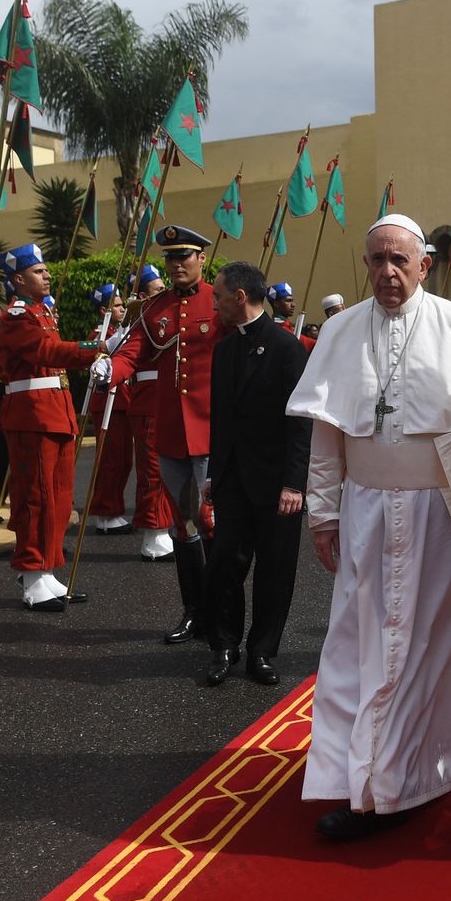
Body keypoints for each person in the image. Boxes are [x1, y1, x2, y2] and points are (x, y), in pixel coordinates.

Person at [287, 213, 451, 839]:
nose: (388, 272)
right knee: (364, 649)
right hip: (366, 514)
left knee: (435, 647)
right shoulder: (339, 332)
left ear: (425, 266)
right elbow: (326, 436)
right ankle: (369, 780)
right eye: (376, 261)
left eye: (400, 261)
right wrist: (324, 514)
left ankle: (430, 764)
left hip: (445, 517)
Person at [107, 227, 226, 642]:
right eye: (171, 257)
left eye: (186, 256)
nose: (177, 263)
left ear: (202, 259)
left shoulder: (220, 300)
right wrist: (110, 370)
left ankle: (221, 612)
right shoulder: (153, 306)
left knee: (213, 521)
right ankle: (193, 610)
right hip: (173, 432)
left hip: (212, 429)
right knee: (184, 524)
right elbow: (132, 351)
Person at [202, 262, 311, 687]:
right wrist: (214, 473)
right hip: (232, 481)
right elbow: (221, 422)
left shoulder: (288, 349)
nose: (214, 304)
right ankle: (223, 645)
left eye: (218, 296)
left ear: (240, 297)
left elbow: (301, 423)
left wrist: (294, 483)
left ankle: (262, 650)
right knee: (224, 564)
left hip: (277, 484)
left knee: (275, 572)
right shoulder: (224, 351)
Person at [0, 243, 99, 612]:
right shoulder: (18, 316)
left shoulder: (44, 311)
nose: (47, 275)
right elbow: (46, 352)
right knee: (36, 496)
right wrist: (95, 347)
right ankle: (32, 570)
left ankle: (47, 568)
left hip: (54, 411)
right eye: (38, 271)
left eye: (46, 270)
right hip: (32, 415)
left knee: (58, 497)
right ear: (18, 280)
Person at [115, 265, 175, 561]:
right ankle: (154, 533)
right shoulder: (136, 325)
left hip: (170, 400)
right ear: (141, 296)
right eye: (157, 290)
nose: (165, 293)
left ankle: (168, 525)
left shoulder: (169, 315)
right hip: (149, 402)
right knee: (153, 469)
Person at [83, 283, 134, 536]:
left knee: (123, 459)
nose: (122, 308)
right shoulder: (99, 336)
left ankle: (113, 509)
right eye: (116, 305)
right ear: (104, 309)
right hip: (108, 404)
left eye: (123, 304)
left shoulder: (118, 331)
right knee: (111, 460)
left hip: (122, 401)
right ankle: (105, 512)